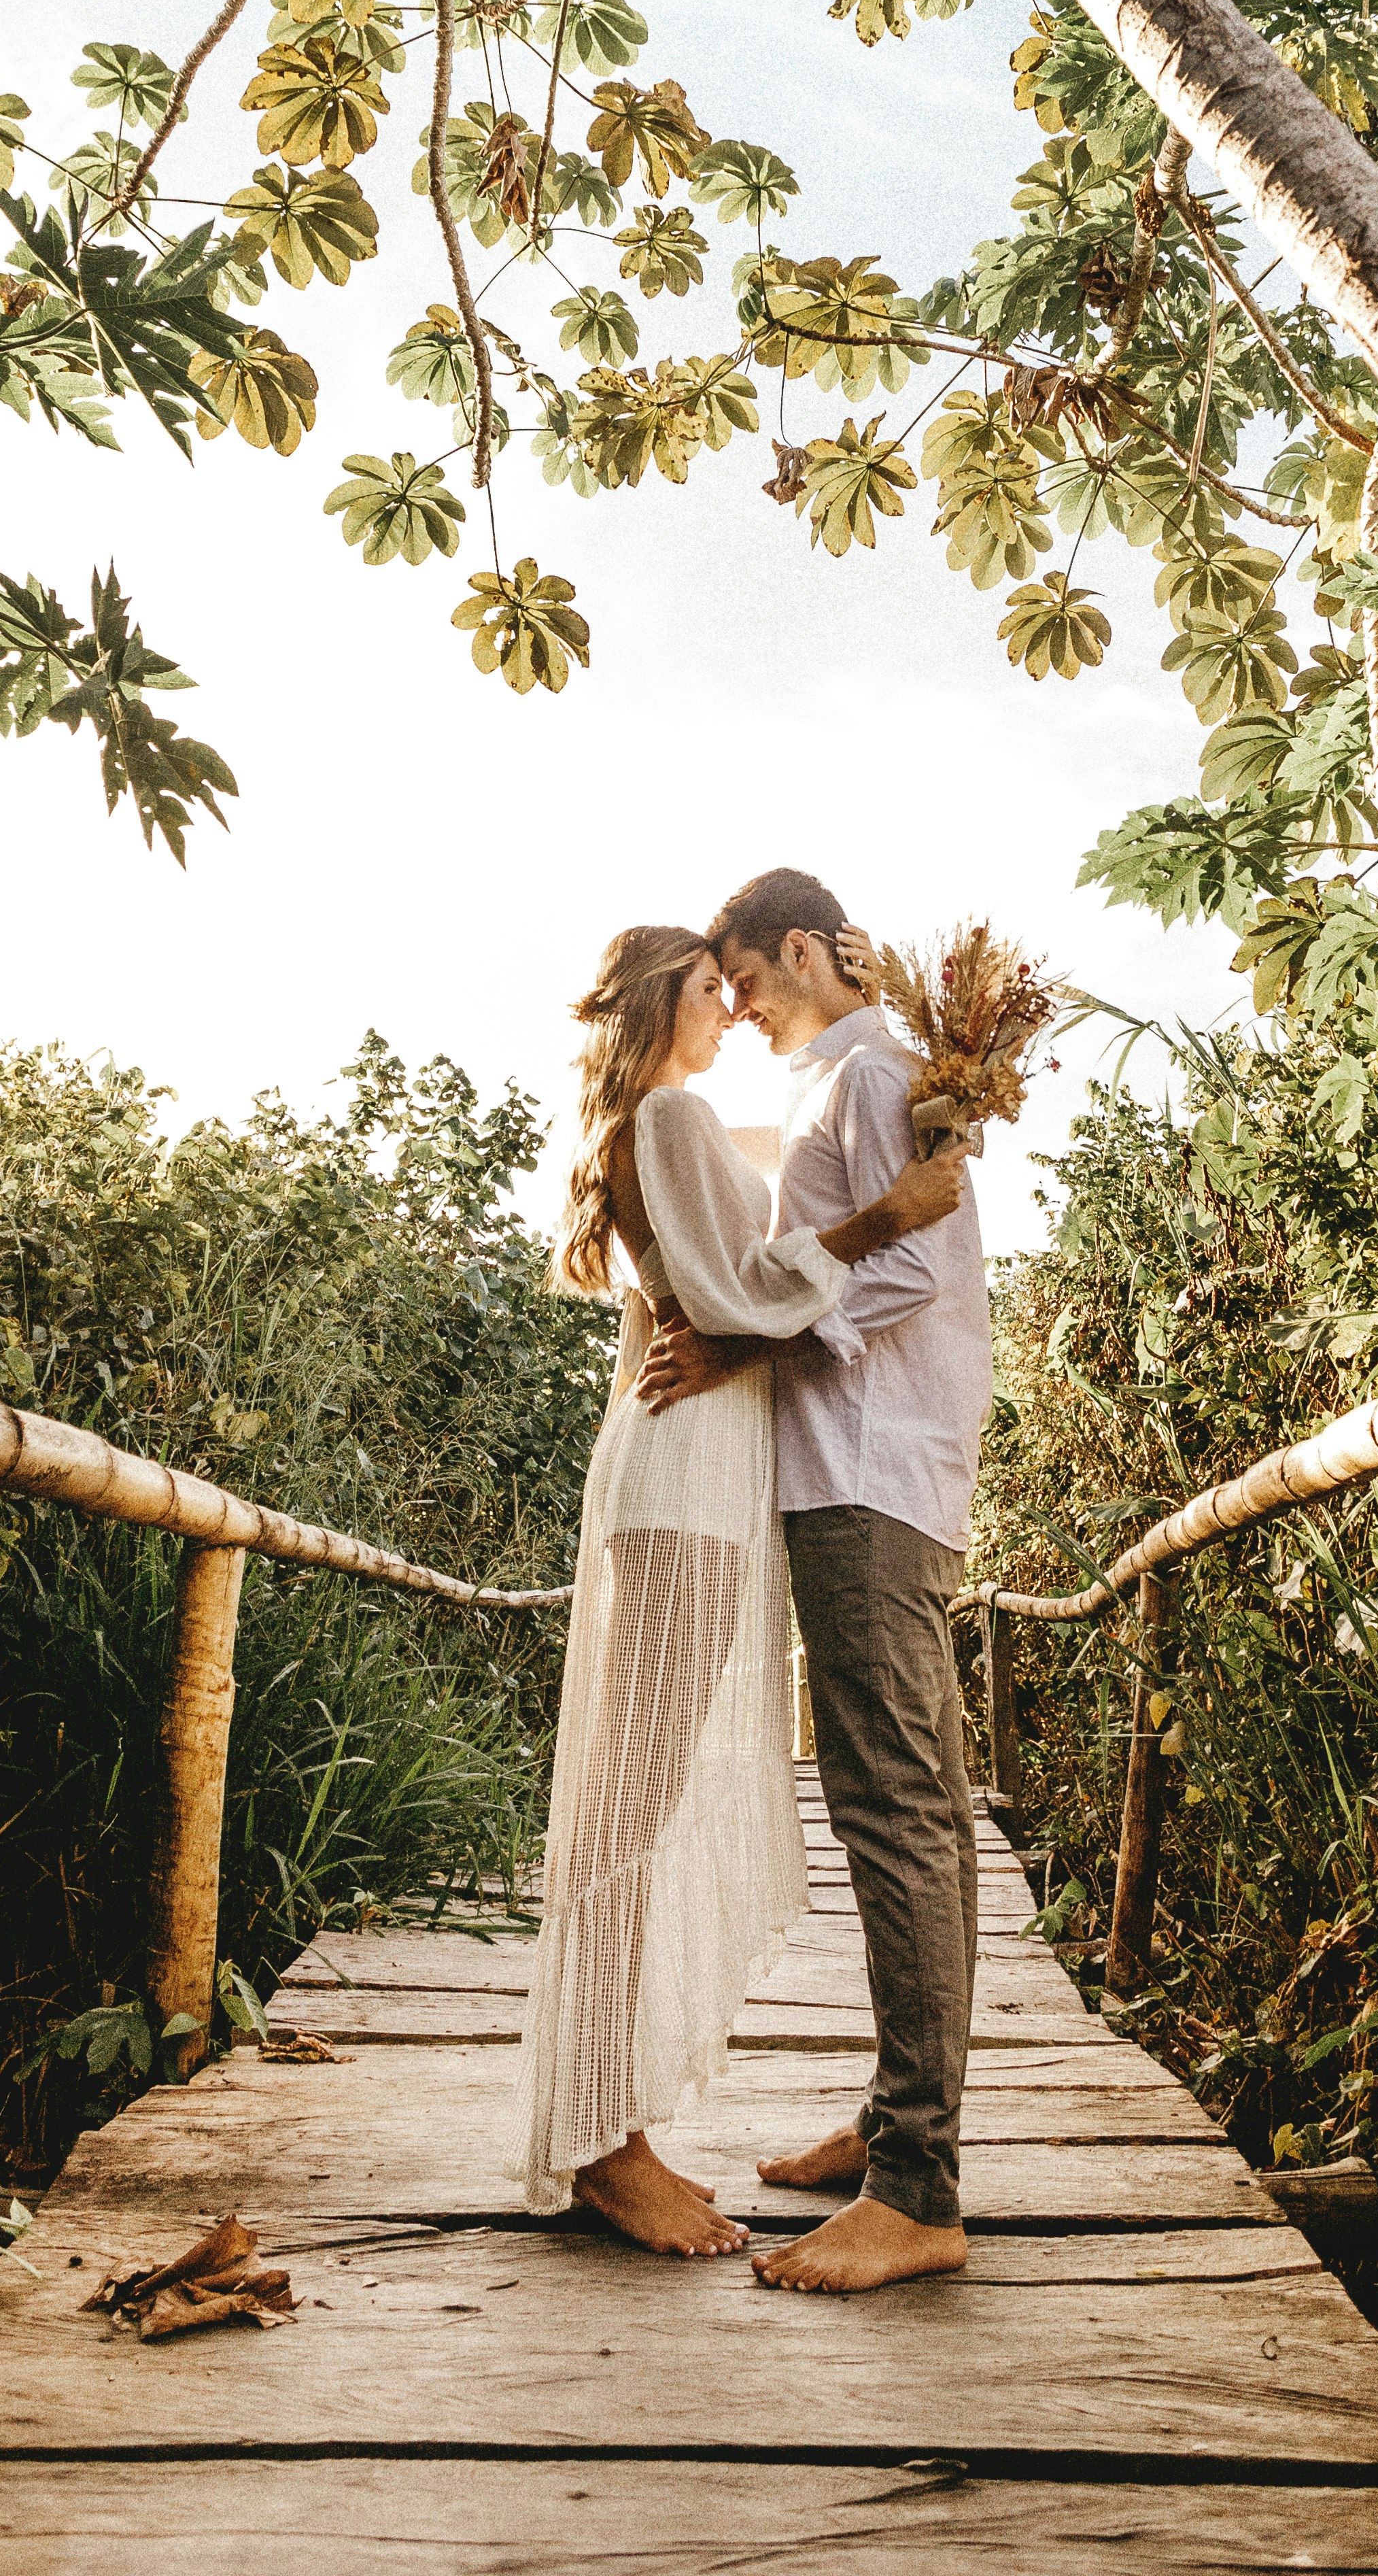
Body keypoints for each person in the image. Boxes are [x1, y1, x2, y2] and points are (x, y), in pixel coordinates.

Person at [513, 923, 963, 2255]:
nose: (735, 1005)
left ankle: (614, 2127)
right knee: (624, 1819)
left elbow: (756, 1237)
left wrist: (934, 1111)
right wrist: (887, 1215)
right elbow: (740, 1286)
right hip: (681, 1504)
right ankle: (598, 2146)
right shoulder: (668, 1117)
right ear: (668, 998)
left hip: (699, 1498)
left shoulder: (677, 1126)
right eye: (716, 988)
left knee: (632, 1813)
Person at [640, 866, 993, 2297]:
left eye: (749, 980)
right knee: (916, 1810)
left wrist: (746, 1343)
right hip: (869, 1469)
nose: (739, 1007)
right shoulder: (868, 1068)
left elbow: (908, 1269)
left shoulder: (870, 1077)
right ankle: (897, 2123)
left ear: (804, 948)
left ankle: (918, 2187)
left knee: (895, 1811)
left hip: (865, 1471)